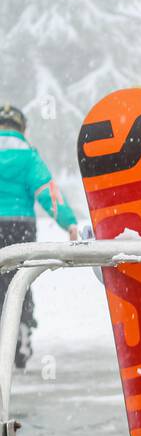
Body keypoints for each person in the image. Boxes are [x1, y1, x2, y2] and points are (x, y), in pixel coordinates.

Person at [0, 103, 78, 368]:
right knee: (19, 278)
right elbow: (48, 192)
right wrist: (68, 222)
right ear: (22, 128)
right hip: (19, 227)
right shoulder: (29, 157)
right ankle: (21, 334)